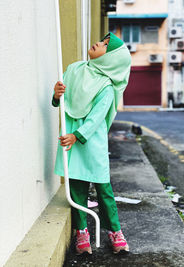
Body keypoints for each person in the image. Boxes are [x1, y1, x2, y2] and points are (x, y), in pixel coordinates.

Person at [52, 32, 131, 255]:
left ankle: (115, 231)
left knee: (103, 187)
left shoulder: (106, 86)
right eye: (103, 41)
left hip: (90, 140)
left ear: (111, 59)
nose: (99, 43)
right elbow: (62, 98)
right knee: (76, 186)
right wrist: (57, 95)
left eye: (106, 45)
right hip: (71, 137)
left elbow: (96, 118)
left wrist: (78, 135)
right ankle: (82, 231)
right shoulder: (74, 69)